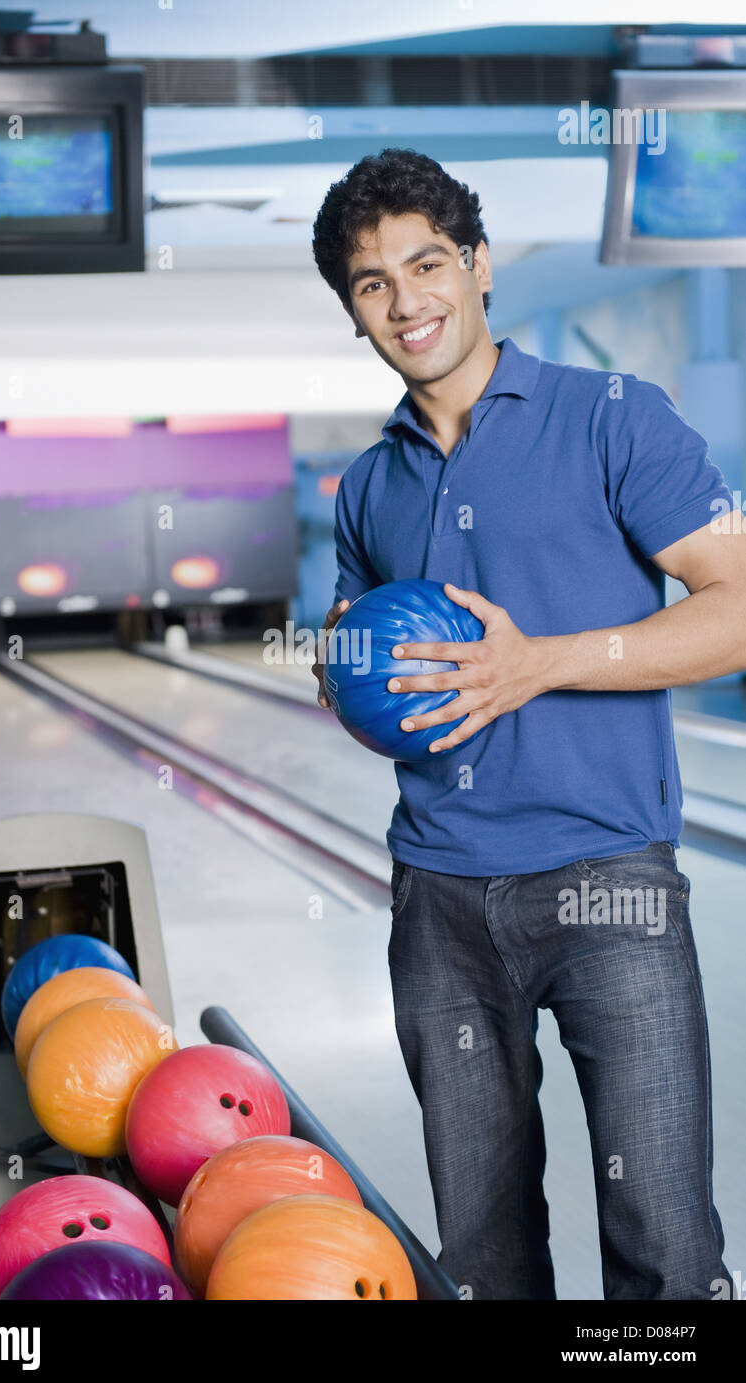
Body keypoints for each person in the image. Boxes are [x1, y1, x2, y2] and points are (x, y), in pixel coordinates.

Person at [310, 147, 742, 1300]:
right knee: (486, 1253)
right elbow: (377, 684)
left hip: (610, 885)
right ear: (351, 312)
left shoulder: (609, 419)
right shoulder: (367, 487)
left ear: (479, 265)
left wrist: (533, 666)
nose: (406, 300)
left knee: (663, 1245)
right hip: (439, 900)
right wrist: (342, 675)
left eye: (426, 261)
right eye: (369, 282)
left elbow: (738, 609)